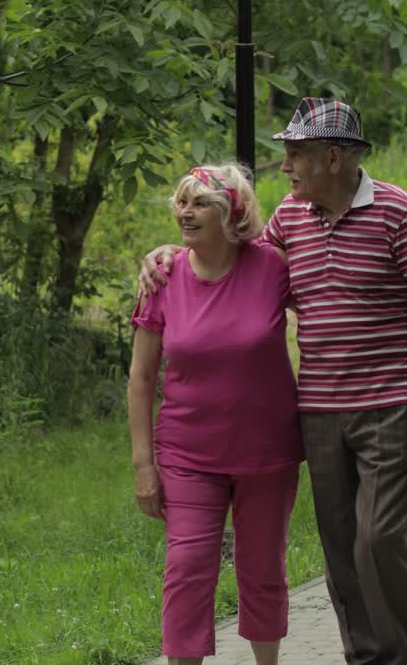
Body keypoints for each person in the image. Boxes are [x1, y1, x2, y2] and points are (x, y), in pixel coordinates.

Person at [139, 98, 407, 665]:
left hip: (390, 399)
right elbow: (233, 264)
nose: (285, 167)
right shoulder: (291, 218)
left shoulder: (397, 211)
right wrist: (170, 252)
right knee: (340, 549)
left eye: (297, 155)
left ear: (334, 157)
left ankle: (398, 658)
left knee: (378, 539)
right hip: (317, 408)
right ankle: (364, 656)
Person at [128, 163, 304, 665]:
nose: (186, 212)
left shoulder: (272, 266)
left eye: (200, 202)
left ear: (233, 213)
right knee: (186, 569)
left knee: (262, 569)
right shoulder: (162, 277)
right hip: (188, 454)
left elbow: (328, 302)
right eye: (182, 201)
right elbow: (140, 380)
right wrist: (145, 466)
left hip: (268, 453)